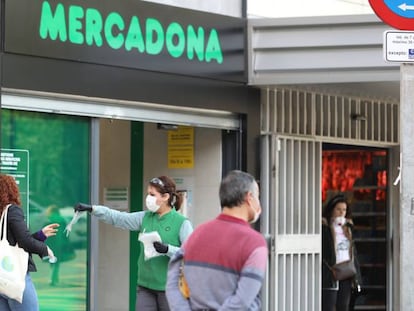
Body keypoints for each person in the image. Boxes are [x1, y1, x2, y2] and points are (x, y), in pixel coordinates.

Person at [74, 175, 193, 311]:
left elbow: (191, 254)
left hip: (170, 289)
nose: (148, 198)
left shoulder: (181, 223)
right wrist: (93, 209)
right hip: (145, 287)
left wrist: (167, 249)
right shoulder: (145, 217)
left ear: (165, 197)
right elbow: (119, 218)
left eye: (152, 194)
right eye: (148, 194)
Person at [165, 170, 268, 310]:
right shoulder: (255, 243)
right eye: (258, 196)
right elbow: (242, 301)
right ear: (249, 198)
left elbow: (172, 283)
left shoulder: (196, 235)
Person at [0, 173, 57, 311]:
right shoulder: (12, 210)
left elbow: (16, 242)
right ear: (11, 190)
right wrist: (44, 249)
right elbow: (24, 241)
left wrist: (40, 235)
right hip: (16, 278)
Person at [322, 194, 362, 311]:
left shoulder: (348, 228)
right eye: (338, 209)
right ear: (331, 210)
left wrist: (357, 278)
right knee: (328, 306)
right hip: (331, 271)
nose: (341, 213)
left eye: (344, 210)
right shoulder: (325, 228)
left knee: (343, 306)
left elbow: (353, 253)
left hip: (346, 271)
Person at [44, 205, 76, 286]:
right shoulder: (62, 221)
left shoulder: (49, 221)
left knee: (53, 262)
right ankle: (54, 278)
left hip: (52, 244)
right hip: (59, 244)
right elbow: (65, 233)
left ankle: (53, 279)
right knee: (56, 262)